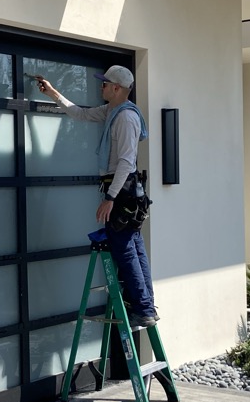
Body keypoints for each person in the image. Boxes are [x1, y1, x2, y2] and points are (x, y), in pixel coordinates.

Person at [32, 65, 158, 327]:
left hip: (122, 190)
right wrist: (54, 93)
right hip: (124, 189)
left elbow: (125, 163)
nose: (100, 87)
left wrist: (110, 198)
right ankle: (146, 306)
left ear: (116, 88)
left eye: (104, 83)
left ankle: (143, 308)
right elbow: (80, 114)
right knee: (133, 245)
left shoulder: (125, 118)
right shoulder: (113, 111)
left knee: (125, 248)